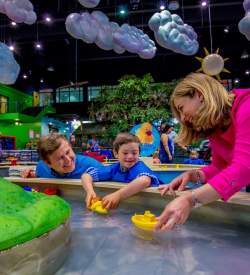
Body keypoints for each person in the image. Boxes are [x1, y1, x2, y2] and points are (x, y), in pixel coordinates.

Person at [156, 72, 250, 231]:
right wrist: (194, 175)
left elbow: (244, 168)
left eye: (181, 108)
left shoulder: (246, 106)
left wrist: (190, 199)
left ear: (199, 94)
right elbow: (221, 167)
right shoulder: (214, 127)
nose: (183, 118)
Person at [82, 133, 162, 209]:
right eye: (125, 153)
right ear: (116, 153)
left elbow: (145, 181)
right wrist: (90, 192)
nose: (130, 156)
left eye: (134, 153)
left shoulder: (138, 166)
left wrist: (118, 195)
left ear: (139, 153)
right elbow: (86, 175)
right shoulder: (114, 169)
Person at [21, 133, 103, 179]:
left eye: (68, 152)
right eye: (60, 158)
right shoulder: (41, 167)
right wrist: (32, 176)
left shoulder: (93, 165)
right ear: (48, 163)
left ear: (71, 147)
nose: (68, 160)